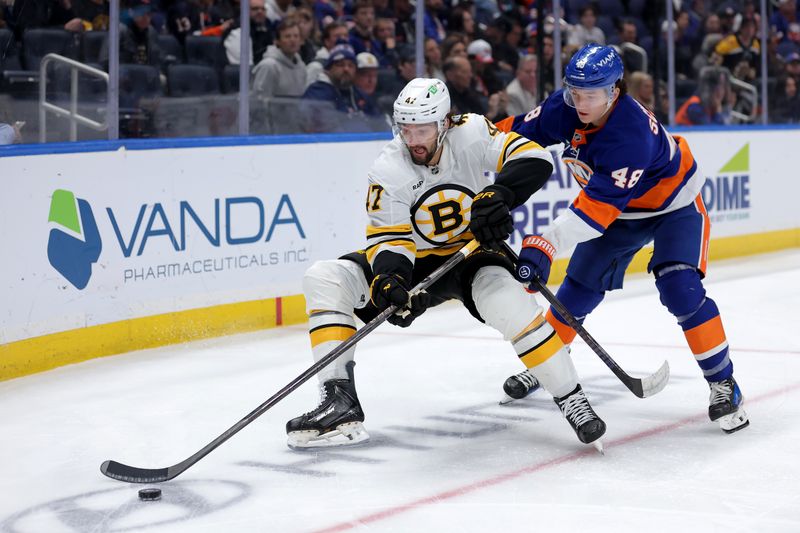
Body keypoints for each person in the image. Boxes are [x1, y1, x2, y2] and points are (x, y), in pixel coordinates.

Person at [285, 77, 607, 450]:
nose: (413, 140)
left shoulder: (471, 132)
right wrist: (391, 282)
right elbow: (390, 239)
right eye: (405, 129)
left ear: (444, 123)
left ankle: (572, 398)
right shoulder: (388, 168)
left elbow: (533, 158)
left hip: (473, 256)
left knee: (513, 306)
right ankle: (339, 401)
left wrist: (499, 194)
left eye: (422, 129)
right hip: (415, 264)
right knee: (325, 278)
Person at [495, 44, 749, 435]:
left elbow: (595, 211)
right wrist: (466, 142)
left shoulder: (630, 134)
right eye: (575, 92)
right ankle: (547, 364)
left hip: (674, 205)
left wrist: (547, 242)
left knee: (679, 286)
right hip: (621, 210)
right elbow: (509, 134)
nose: (580, 103)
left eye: (591, 94)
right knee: (577, 289)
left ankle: (724, 382)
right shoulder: (563, 107)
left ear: (614, 91)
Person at [252, 18, 306, 98]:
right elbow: (259, 100)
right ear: (277, 41)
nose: (292, 40)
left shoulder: (301, 67)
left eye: (296, 36)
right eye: (287, 36)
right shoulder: (268, 66)